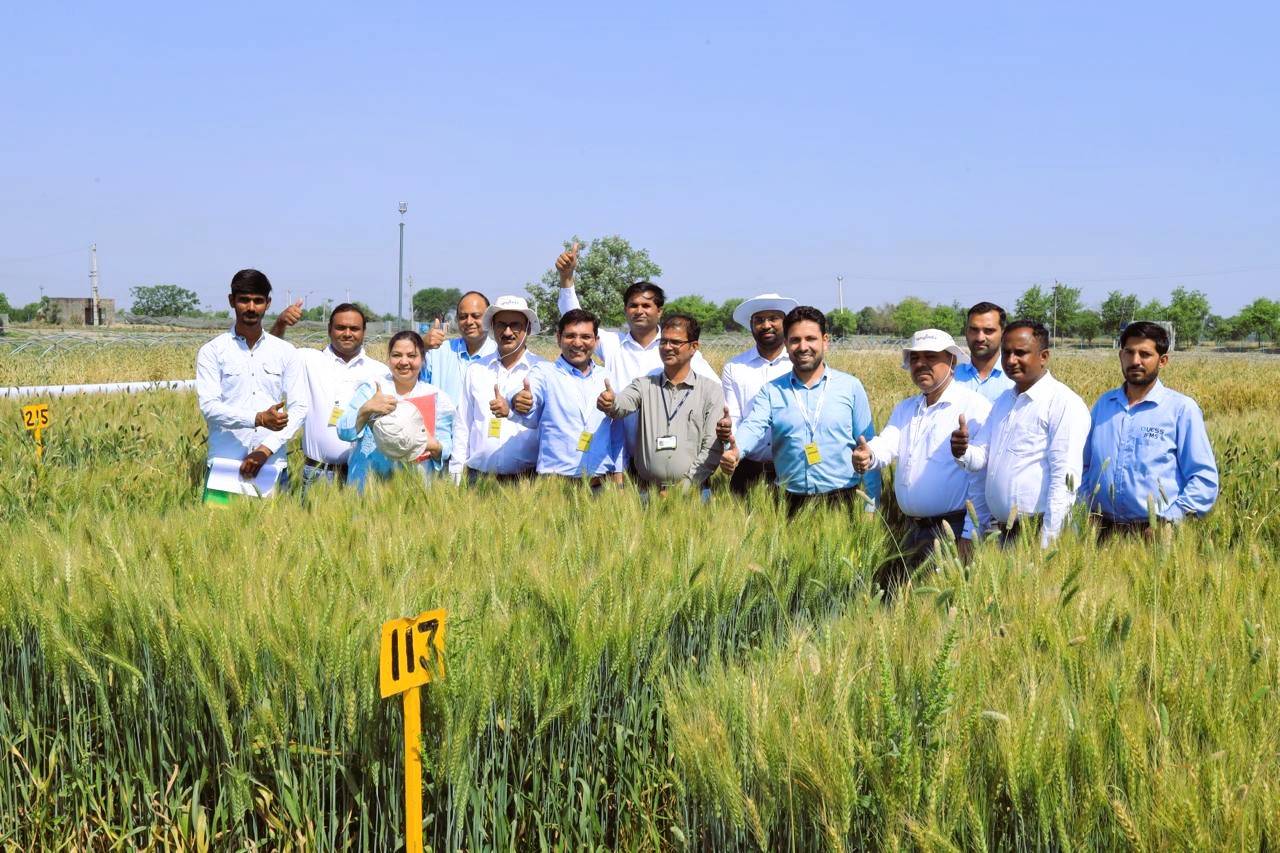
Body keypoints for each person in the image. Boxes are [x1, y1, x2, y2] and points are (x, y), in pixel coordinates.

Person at [852, 329, 992, 574]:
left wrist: (970, 534)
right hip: (911, 531)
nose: (921, 364)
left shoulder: (974, 407)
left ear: (952, 361)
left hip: (952, 529)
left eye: (930, 356)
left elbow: (980, 479)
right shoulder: (907, 408)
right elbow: (887, 443)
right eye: (915, 358)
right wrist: (869, 454)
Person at [720, 306, 881, 517]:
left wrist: (871, 505)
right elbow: (753, 425)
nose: (803, 347)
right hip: (789, 503)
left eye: (810, 339)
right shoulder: (772, 390)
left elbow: (867, 446)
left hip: (843, 500)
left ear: (825, 341)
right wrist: (736, 450)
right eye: (795, 340)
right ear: (786, 344)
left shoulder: (850, 387)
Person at [950, 320, 1091, 548]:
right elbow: (982, 458)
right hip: (1001, 533)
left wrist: (1048, 545)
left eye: (1020, 353)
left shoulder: (1064, 403)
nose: (1011, 360)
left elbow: (1064, 481)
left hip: (1036, 533)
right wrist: (962, 451)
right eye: (1006, 353)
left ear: (1043, 356)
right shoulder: (1005, 401)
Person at [1080, 321, 1219, 538]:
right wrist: (1084, 506)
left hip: (1155, 535)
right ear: (1120, 356)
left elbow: (1204, 479)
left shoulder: (1180, 409)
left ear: (1162, 360)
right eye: (1129, 352)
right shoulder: (1104, 405)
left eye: (1145, 354)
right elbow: (1084, 465)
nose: (1135, 361)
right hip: (1100, 532)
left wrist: (1171, 519)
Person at [196, 269, 307, 488]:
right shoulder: (213, 351)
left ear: (268, 303)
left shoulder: (285, 351)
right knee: (217, 523)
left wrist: (265, 450)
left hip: (272, 466)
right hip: (224, 465)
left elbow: (300, 407)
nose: (251, 307)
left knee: (276, 523)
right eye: (244, 300)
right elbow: (209, 407)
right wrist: (257, 419)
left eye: (258, 301)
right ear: (231, 301)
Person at [596, 313, 724, 496]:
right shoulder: (644, 385)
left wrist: (683, 489)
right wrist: (610, 403)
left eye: (675, 342)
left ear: (693, 347)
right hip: (647, 493)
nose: (667, 347)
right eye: (663, 342)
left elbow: (712, 446)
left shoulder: (711, 391)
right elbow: (622, 404)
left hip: (694, 494)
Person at [272, 303, 390, 494]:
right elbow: (270, 354)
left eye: (354, 328)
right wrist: (280, 324)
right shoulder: (307, 360)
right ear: (329, 329)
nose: (347, 333)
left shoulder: (380, 372)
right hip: (317, 473)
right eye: (340, 327)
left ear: (364, 331)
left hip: (362, 474)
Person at [503, 308, 623, 484]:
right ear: (558, 338)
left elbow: (617, 433)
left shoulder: (607, 378)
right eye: (570, 336)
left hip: (600, 484)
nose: (577, 343)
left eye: (585, 337)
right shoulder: (544, 372)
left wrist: (619, 473)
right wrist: (518, 399)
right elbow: (526, 395)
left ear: (596, 341)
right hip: (556, 486)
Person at [337, 331, 454, 491]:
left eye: (412, 356)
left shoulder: (437, 397)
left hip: (414, 491)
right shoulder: (372, 389)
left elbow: (445, 449)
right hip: (368, 489)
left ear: (422, 359)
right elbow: (343, 431)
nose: (404, 361)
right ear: (388, 359)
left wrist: (434, 446)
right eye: (397, 355)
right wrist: (367, 409)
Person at [450, 295, 546, 482]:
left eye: (515, 325)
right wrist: (455, 476)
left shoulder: (542, 370)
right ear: (492, 327)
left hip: (527, 482)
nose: (508, 332)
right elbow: (463, 425)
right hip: (478, 479)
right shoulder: (476, 370)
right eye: (501, 324)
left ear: (527, 328)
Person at [718, 292, 799, 494]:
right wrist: (733, 452)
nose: (766, 325)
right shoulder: (735, 366)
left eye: (773, 318)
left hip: (793, 468)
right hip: (747, 466)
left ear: (785, 323)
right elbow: (734, 416)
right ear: (751, 325)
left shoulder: (799, 364)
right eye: (759, 320)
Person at [419, 291, 498, 408]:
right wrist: (422, 346)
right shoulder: (438, 351)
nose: (469, 322)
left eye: (476, 316)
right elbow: (411, 382)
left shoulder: (499, 355)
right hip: (444, 425)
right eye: (463, 317)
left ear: (489, 319)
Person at [954, 302, 1015, 403]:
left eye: (988, 330)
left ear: (1003, 334)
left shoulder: (1015, 379)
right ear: (966, 332)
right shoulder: (951, 378)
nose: (980, 338)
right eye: (974, 330)